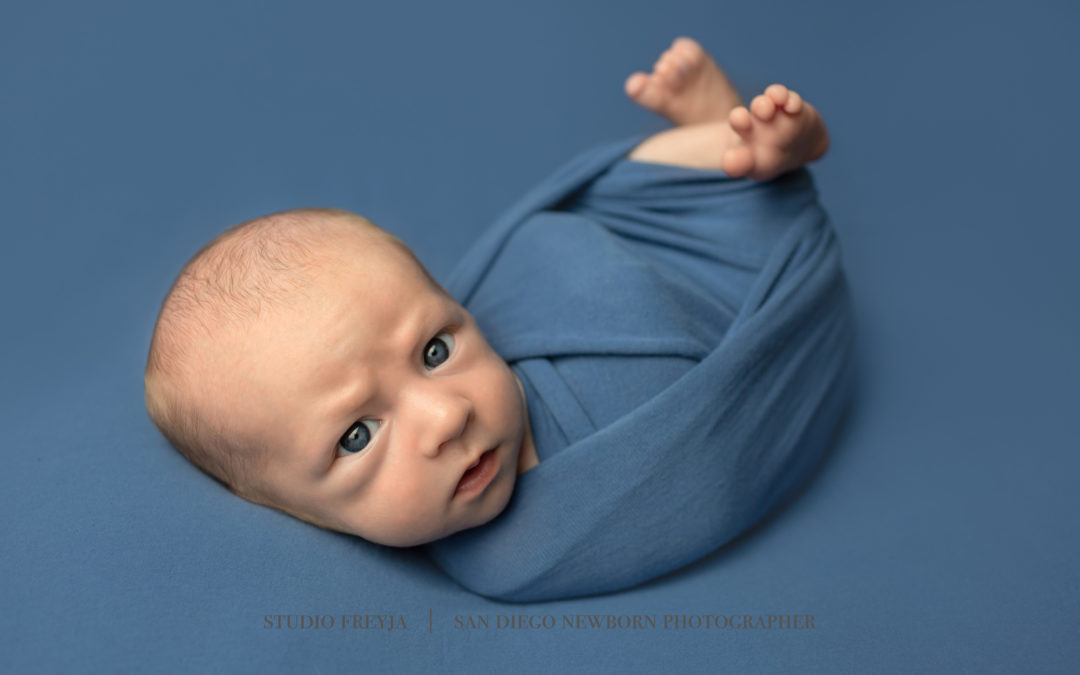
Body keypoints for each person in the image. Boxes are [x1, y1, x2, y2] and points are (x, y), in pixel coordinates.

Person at [144, 36, 836, 551]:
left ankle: (734, 146)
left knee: (641, 202)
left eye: (436, 348)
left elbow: (562, 248)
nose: (446, 416)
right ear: (296, 511)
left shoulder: (514, 297)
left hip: (679, 257)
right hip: (740, 325)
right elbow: (714, 469)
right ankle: (726, 151)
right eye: (358, 434)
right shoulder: (529, 558)